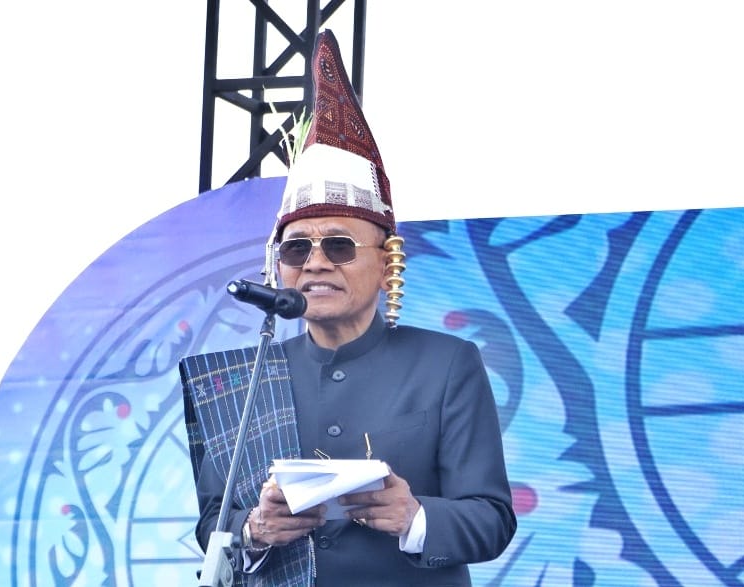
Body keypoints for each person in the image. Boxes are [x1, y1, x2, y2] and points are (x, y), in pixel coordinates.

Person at [182, 30, 516, 587]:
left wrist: (415, 517)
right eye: (297, 249)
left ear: (387, 265)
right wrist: (256, 529)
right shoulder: (247, 376)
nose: (315, 262)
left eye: (338, 246)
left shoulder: (447, 364)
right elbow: (214, 521)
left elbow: (492, 518)